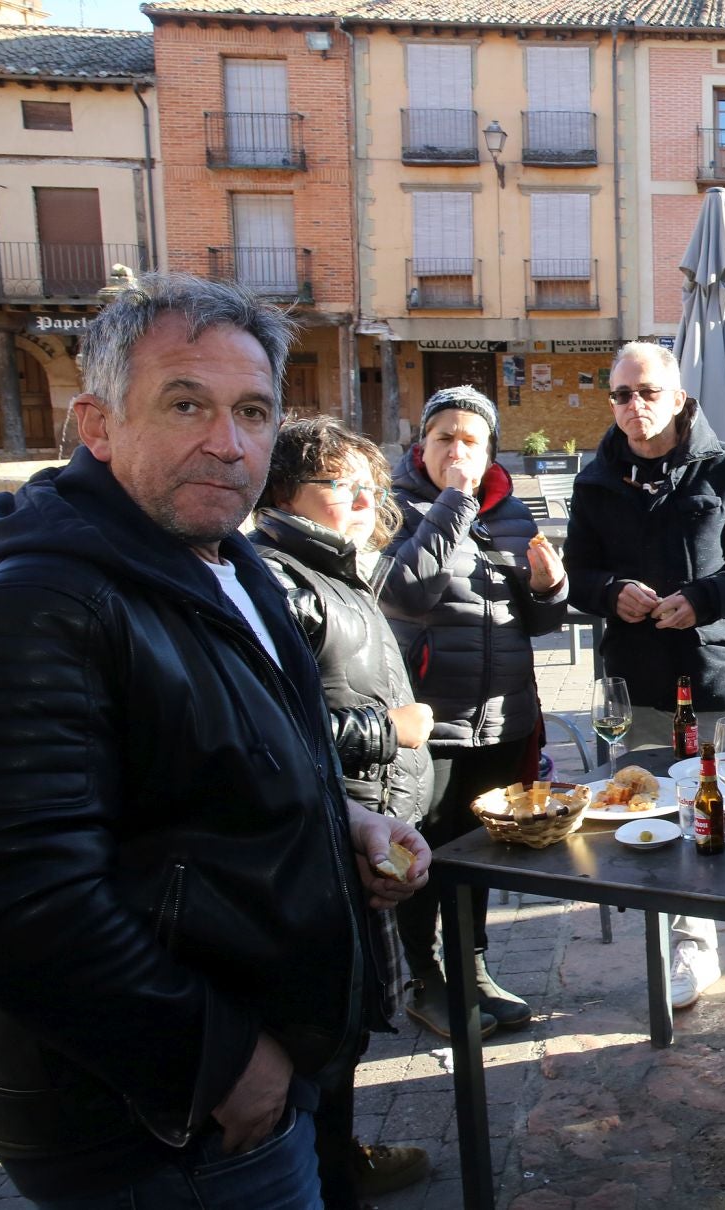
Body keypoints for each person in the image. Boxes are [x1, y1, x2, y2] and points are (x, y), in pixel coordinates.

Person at [0, 271, 428, 1207]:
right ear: (96, 426)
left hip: (236, 1085)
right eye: (187, 405)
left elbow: (199, 772)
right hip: (160, 1126)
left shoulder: (228, 561)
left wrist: (342, 817)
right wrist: (221, 1064)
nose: (228, 444)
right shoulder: (41, 601)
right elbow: (21, 897)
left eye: (255, 412)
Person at [565, 341, 725, 1020]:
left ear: (677, 397)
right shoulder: (595, 479)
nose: (632, 407)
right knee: (661, 825)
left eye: (646, 392)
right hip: (637, 685)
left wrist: (707, 596)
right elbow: (578, 575)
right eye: (620, 394)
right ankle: (690, 948)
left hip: (718, 675)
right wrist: (612, 592)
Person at [252, 417, 436, 1208]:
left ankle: (341, 1158)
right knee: (327, 1029)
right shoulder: (278, 577)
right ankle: (328, 1179)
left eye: (372, 487)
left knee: (351, 1023)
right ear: (286, 493)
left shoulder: (332, 570)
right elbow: (266, 730)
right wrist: (385, 732)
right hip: (327, 841)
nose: (366, 501)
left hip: (363, 827)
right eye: (343, 486)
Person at [381, 386, 567, 1039]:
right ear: (422, 445)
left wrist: (551, 586)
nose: (457, 450)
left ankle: (473, 964)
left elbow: (541, 621)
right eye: (444, 438)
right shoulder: (396, 507)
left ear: (489, 449)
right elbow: (404, 593)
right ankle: (422, 977)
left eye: (471, 440)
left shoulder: (513, 512)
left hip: (502, 717)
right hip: (430, 722)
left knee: (480, 850)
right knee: (423, 855)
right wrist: (453, 504)